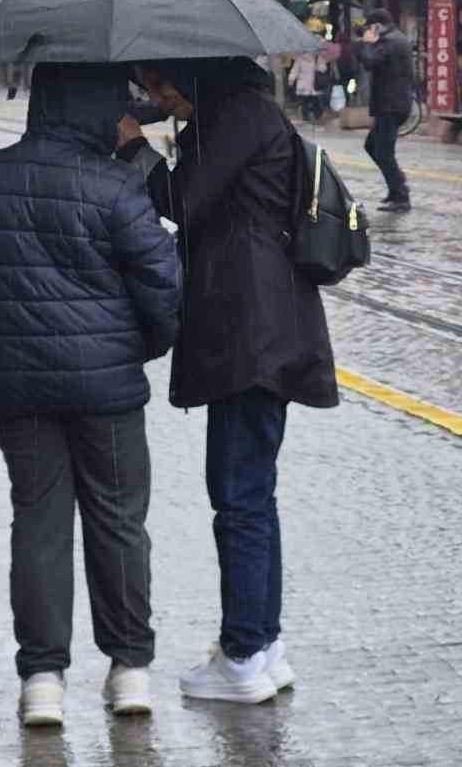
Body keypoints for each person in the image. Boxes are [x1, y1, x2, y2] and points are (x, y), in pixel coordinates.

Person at [0, 64, 180, 727]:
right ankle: (130, 669)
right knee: (119, 521)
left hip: (21, 387)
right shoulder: (116, 185)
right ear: (98, 110)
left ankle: (42, 678)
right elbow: (163, 282)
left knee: (37, 523)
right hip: (109, 389)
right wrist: (135, 348)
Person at [117, 56, 337, 706]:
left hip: (251, 333)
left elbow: (181, 201)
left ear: (190, 75)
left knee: (238, 497)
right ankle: (263, 645)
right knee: (252, 495)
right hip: (267, 327)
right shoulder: (245, 113)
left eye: (162, 87)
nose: (162, 99)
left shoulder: (234, 117)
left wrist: (135, 150)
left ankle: (242, 654)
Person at [357, 8, 414, 212]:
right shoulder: (395, 38)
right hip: (391, 103)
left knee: (383, 152)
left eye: (370, 27)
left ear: (377, 25)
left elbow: (370, 62)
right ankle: (395, 188)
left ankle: (401, 194)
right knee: (373, 146)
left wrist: (366, 43)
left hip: (391, 105)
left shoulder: (390, 41)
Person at [288, 49, 324, 124]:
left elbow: (294, 71)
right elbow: (323, 69)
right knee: (308, 103)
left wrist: (291, 80)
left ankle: (308, 119)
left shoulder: (316, 58)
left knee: (308, 103)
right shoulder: (302, 59)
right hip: (309, 85)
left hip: (310, 85)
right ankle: (310, 119)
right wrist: (291, 79)